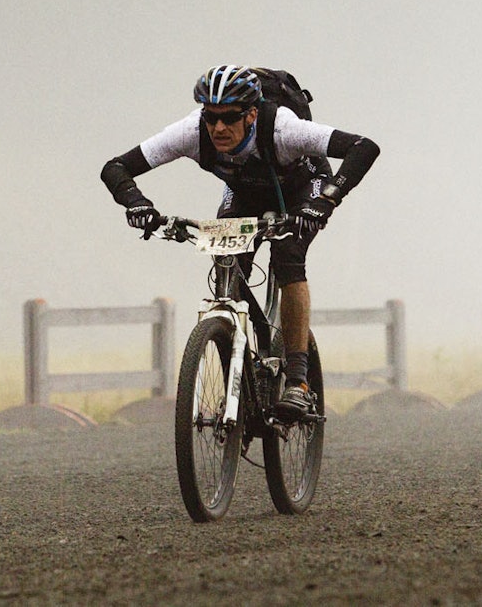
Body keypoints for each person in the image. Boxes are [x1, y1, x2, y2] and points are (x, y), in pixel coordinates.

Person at [100, 64, 380, 421]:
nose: (218, 128)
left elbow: (363, 147)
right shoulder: (191, 131)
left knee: (287, 255)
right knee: (227, 266)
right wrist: (138, 203)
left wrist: (325, 200)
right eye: (211, 117)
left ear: (250, 115)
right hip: (244, 193)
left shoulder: (282, 127)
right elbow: (116, 167)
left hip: (301, 190)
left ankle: (297, 382)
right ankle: (242, 368)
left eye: (229, 118)